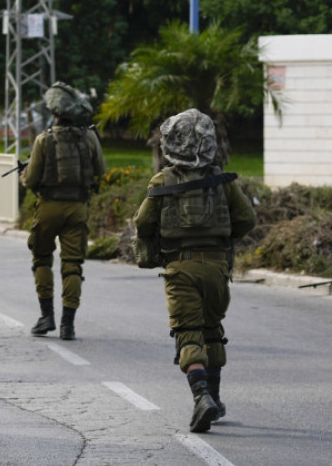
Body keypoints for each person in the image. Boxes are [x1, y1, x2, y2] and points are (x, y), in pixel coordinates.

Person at [134, 108, 256, 433]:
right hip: (217, 267)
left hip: (180, 268)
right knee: (213, 330)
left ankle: (201, 397)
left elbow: (142, 222)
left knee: (189, 332)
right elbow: (247, 220)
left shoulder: (163, 181)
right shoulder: (222, 182)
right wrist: (221, 238)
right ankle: (214, 398)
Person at [21, 82, 106, 340]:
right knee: (72, 266)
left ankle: (47, 316)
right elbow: (100, 171)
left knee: (42, 258)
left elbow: (33, 179)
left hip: (48, 208)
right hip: (78, 208)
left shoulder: (43, 139)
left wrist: (23, 176)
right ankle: (68, 325)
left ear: (55, 113)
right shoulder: (89, 137)